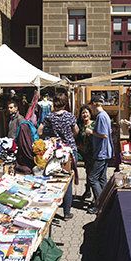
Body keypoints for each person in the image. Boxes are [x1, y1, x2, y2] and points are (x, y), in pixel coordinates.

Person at [37, 92, 79, 221]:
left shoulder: (49, 117)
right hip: (69, 151)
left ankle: (51, 209)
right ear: (66, 103)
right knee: (68, 181)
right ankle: (67, 212)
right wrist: (70, 138)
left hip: (55, 151)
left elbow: (39, 131)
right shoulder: (69, 116)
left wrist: (50, 136)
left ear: (53, 103)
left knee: (53, 180)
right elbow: (76, 130)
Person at [86, 95, 114, 214]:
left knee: (92, 178)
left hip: (101, 152)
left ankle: (100, 204)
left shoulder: (101, 116)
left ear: (93, 103)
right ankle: (107, 202)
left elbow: (104, 134)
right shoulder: (104, 115)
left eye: (91, 105)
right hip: (104, 150)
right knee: (102, 178)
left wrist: (91, 132)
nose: (90, 108)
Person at [76, 105, 94, 200]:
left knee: (93, 173)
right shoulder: (80, 126)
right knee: (87, 172)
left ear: (90, 114)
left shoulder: (94, 124)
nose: (85, 114)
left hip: (94, 152)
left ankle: (96, 194)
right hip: (86, 152)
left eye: (86, 112)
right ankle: (87, 191)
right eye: (83, 113)